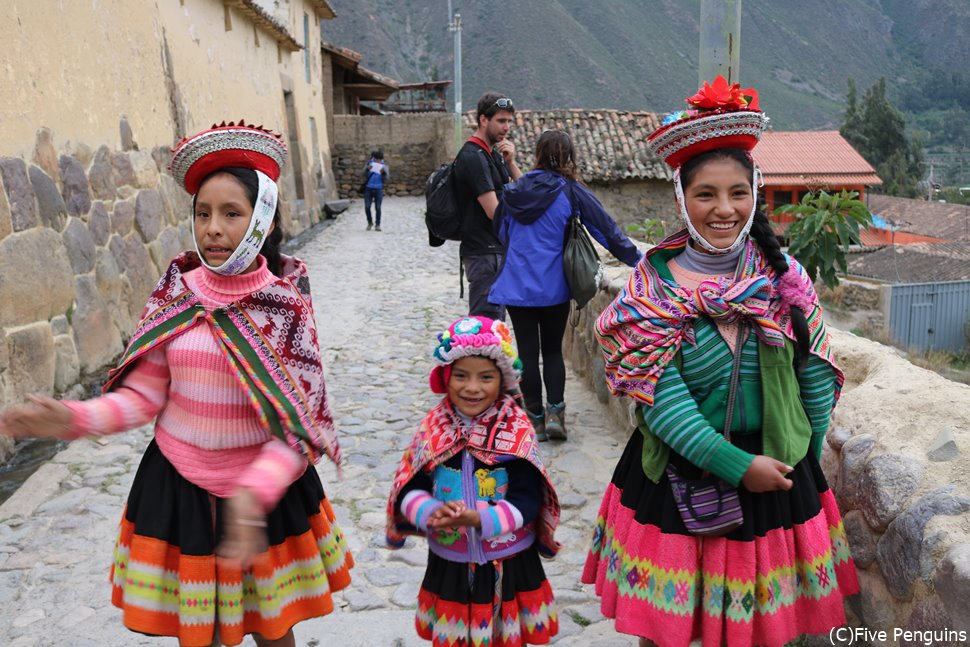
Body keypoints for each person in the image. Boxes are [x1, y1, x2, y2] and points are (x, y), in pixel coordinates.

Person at [0, 121, 353, 647]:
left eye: (232, 214)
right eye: (203, 213)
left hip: (261, 496)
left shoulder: (285, 308)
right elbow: (144, 397)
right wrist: (72, 420)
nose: (213, 228)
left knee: (273, 629)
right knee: (201, 634)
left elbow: (299, 429)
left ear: (264, 220)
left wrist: (251, 498)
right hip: (181, 489)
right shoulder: (177, 292)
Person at [581, 77, 859, 647]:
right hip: (684, 477)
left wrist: (799, 455)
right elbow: (659, 397)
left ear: (755, 193)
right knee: (673, 631)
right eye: (706, 194)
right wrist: (736, 465)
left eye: (738, 192)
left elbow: (815, 372)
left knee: (764, 631)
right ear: (682, 199)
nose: (724, 209)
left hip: (778, 481)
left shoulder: (784, 280)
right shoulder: (650, 291)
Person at [386, 315, 561, 647]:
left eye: (486, 377)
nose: (472, 387)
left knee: (507, 639)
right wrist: (429, 512)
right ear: (445, 377)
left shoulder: (514, 429)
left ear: (503, 379)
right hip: (451, 561)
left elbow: (528, 499)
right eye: (461, 376)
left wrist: (480, 518)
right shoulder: (434, 427)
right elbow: (410, 486)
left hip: (508, 561)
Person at [489, 129, 641, 441]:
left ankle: (534, 417)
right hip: (554, 286)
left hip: (518, 286)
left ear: (538, 155)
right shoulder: (569, 191)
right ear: (569, 156)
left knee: (527, 353)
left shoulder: (515, 190)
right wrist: (639, 260)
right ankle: (556, 412)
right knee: (554, 352)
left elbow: (501, 231)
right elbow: (606, 230)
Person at [453, 92, 523, 320]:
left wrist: (511, 163)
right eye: (501, 121)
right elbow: (495, 212)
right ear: (484, 120)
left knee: (494, 329)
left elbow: (525, 193)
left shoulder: (492, 155)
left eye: (509, 121)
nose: (507, 127)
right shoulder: (474, 157)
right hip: (484, 255)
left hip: (494, 253)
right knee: (486, 327)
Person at [363, 149, 389, 231]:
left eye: (379, 159)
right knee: (367, 207)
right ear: (374, 158)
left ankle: (378, 224)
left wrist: (383, 173)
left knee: (378, 207)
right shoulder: (369, 164)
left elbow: (387, 178)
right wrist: (367, 169)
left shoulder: (384, 166)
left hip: (378, 188)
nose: (378, 161)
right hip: (368, 188)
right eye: (376, 159)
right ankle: (369, 222)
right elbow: (363, 174)